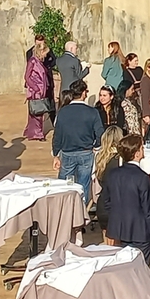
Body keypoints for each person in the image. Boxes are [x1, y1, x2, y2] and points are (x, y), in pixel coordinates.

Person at [101, 134, 150, 263]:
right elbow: (148, 211)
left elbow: (106, 202)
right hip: (140, 233)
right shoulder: (142, 177)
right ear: (137, 153)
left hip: (119, 231)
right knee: (141, 273)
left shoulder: (113, 174)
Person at [52, 80, 105, 210]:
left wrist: (55, 154)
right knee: (83, 185)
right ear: (83, 93)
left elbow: (57, 135)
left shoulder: (63, 112)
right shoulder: (92, 112)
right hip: (86, 153)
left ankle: (64, 211)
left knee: (65, 185)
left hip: (67, 153)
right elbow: (100, 133)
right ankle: (81, 213)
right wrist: (96, 146)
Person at [92, 126, 125, 234]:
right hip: (118, 204)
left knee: (107, 246)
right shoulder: (122, 159)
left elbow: (96, 182)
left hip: (102, 204)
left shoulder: (99, 157)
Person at [26, 36, 58, 126]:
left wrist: (47, 66)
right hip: (36, 85)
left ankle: (54, 123)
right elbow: (29, 71)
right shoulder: (29, 53)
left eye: (42, 42)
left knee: (51, 103)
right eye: (38, 43)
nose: (40, 44)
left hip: (47, 81)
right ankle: (35, 128)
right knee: (36, 105)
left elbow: (54, 60)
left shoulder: (47, 50)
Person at [24, 47, 51, 141]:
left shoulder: (39, 62)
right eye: (45, 53)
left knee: (37, 112)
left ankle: (33, 132)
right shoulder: (32, 61)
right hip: (35, 91)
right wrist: (35, 88)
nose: (46, 55)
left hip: (41, 90)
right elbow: (27, 77)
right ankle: (37, 134)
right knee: (37, 112)